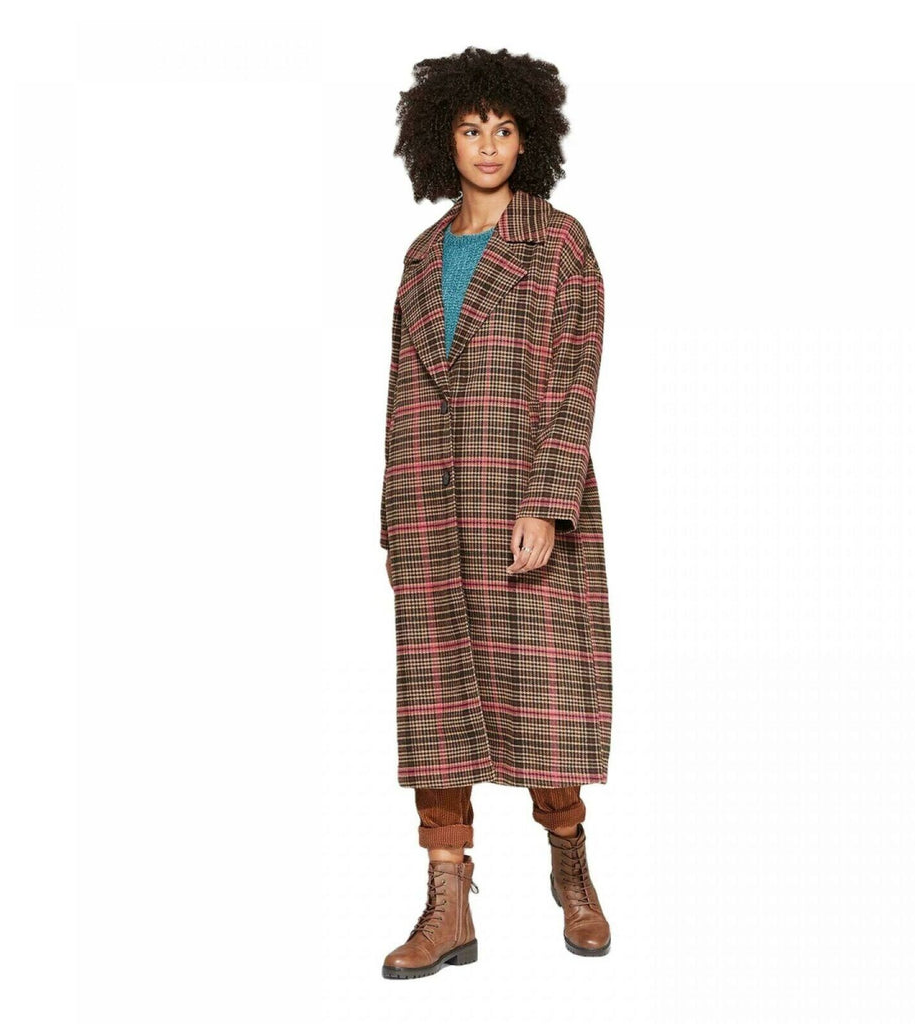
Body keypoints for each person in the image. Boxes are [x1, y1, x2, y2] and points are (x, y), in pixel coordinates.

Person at [379, 46, 613, 979]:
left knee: (545, 700)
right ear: (442, 140)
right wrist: (395, 517)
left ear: (529, 139)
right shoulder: (420, 255)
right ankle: (449, 901)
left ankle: (570, 861)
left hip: (519, 499)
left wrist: (550, 503)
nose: (487, 144)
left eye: (504, 128)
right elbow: (402, 393)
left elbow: (576, 377)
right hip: (432, 508)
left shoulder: (558, 243)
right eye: (471, 128)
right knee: (436, 709)